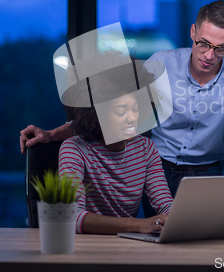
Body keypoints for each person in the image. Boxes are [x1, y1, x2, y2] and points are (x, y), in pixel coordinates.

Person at [21, 0, 224, 234]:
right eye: (203, 43)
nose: (210, 55)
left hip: (206, 173)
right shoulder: (161, 64)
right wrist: (53, 135)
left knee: (200, 243)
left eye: (220, 48)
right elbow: (108, 103)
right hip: (158, 167)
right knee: (156, 240)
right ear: (193, 32)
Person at [56, 53, 173, 234]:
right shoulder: (74, 150)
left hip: (127, 247)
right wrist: (138, 225)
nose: (133, 118)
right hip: (84, 247)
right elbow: (71, 216)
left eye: (136, 109)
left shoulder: (146, 149)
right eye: (121, 111)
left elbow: (165, 203)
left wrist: (180, 219)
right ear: (98, 115)